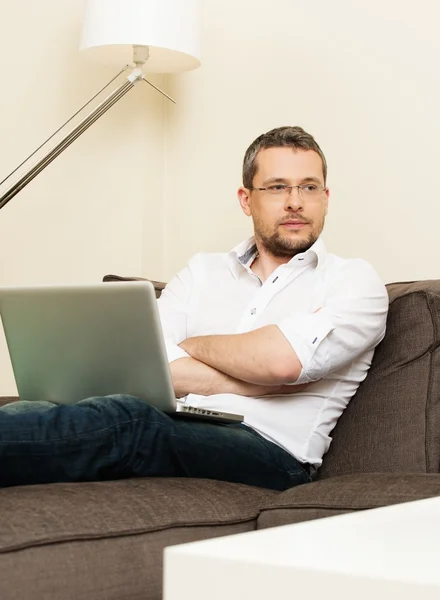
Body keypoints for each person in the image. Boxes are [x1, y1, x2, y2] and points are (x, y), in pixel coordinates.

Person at [0, 126, 388, 490]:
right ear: (245, 199)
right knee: (33, 406)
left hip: (273, 453)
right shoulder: (201, 271)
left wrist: (194, 346)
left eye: (309, 187)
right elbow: (145, 366)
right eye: (276, 187)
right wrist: (252, 380)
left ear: (326, 197)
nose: (295, 202)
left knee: (130, 420)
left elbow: (281, 363)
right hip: (177, 421)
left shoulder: (354, 282)